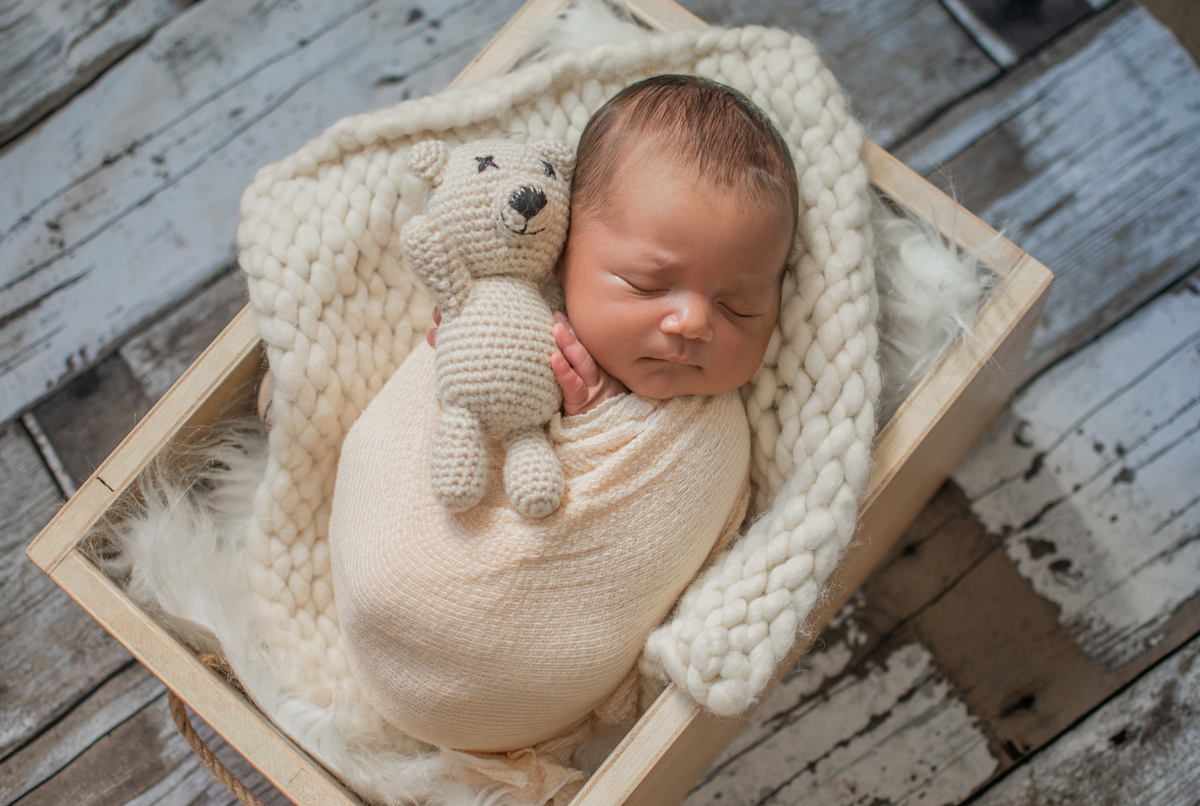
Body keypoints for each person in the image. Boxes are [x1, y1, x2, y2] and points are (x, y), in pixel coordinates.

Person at [325, 74, 799, 781]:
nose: (694, 322)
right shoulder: (520, 309)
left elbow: (669, 532)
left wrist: (597, 418)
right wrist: (465, 350)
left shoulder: (713, 434)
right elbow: (449, 394)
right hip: (388, 588)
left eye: (740, 310)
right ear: (568, 246)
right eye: (645, 285)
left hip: (519, 684)